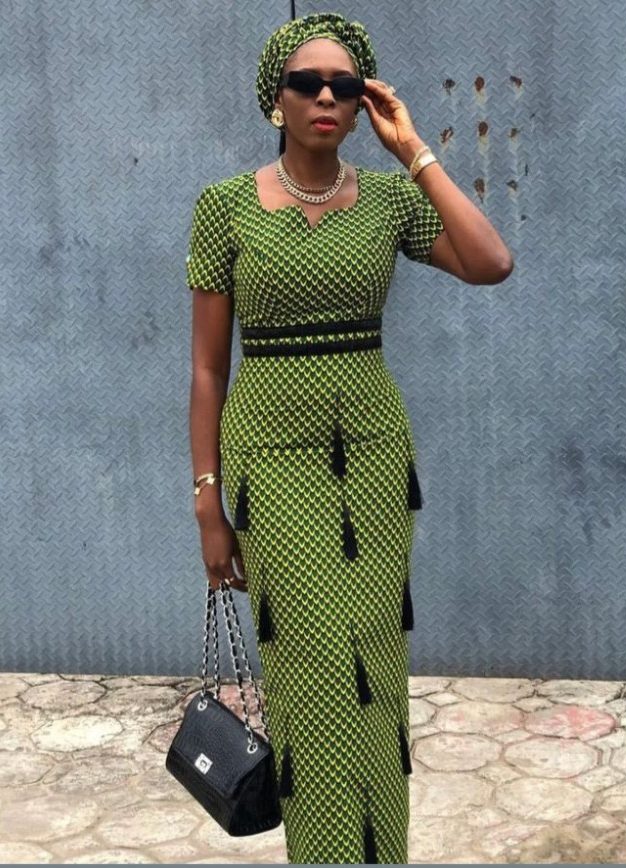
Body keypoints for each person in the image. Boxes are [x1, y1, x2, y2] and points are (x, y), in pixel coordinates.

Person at [186, 11, 513, 864]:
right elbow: (209, 371)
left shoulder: (391, 202)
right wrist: (207, 502)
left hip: (371, 462)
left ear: (364, 101)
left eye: (344, 85)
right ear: (277, 99)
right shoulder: (225, 209)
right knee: (313, 662)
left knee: (373, 661)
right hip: (271, 466)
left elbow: (491, 262)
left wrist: (415, 150)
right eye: (308, 84)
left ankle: (379, 851)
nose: (325, 97)